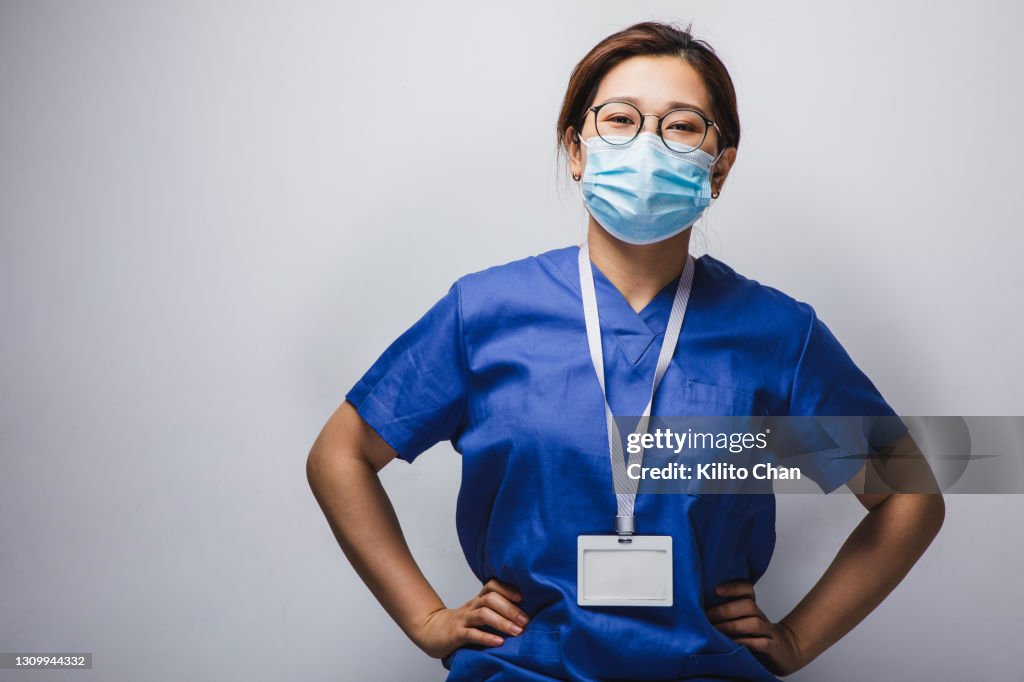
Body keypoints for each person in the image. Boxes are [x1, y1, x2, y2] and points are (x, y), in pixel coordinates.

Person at [307, 20, 945, 681]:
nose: (648, 145)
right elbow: (341, 453)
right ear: (577, 149)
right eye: (620, 119)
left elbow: (909, 495)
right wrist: (425, 619)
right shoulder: (486, 313)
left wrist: (799, 639)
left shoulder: (778, 335)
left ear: (718, 168)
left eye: (682, 126)